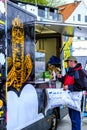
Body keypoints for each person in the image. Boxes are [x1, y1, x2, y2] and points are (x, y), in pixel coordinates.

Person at [57, 56, 84, 130]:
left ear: (72, 61)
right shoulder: (70, 71)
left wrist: (69, 87)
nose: (67, 63)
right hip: (70, 97)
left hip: (75, 98)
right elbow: (66, 81)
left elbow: (80, 86)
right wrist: (60, 78)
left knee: (75, 119)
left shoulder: (78, 71)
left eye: (68, 62)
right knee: (72, 117)